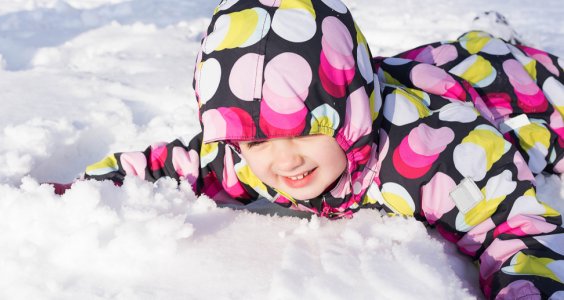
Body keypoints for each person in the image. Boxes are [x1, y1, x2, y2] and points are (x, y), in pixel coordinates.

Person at [59, 0, 564, 298]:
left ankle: (500, 41)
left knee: (505, 69)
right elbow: (172, 163)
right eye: (257, 139)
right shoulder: (248, 157)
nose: (284, 160)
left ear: (349, 113)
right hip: (416, 73)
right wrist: (91, 186)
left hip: (518, 96)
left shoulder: (437, 155)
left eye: (306, 129)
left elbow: (515, 227)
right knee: (454, 57)